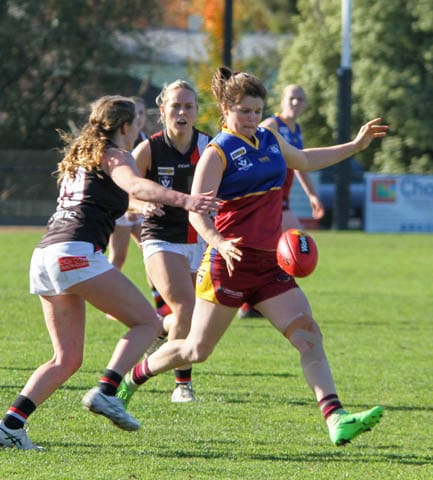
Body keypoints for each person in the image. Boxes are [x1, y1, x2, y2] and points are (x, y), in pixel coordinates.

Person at [117, 67, 388, 446]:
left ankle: (336, 417)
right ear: (226, 109)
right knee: (196, 350)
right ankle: (132, 378)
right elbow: (197, 212)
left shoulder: (270, 139)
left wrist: (355, 145)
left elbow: (305, 159)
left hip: (268, 265)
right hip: (227, 264)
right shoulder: (216, 153)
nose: (251, 118)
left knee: (309, 334)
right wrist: (218, 242)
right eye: (244, 111)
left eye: (257, 111)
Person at [0, 95, 219, 451]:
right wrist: (185, 200)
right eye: (136, 124)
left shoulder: (82, 156)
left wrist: (140, 205)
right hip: (76, 253)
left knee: (66, 359)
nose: (139, 131)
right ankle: (106, 390)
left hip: (45, 256)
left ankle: (10, 426)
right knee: (147, 322)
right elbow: (134, 184)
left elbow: (109, 196)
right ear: (124, 126)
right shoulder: (116, 154)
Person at [117, 80, 213, 404]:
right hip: (160, 239)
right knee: (186, 306)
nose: (182, 112)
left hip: (200, 240)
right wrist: (139, 205)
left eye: (188, 106)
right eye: (175, 106)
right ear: (163, 110)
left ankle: (159, 328)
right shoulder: (149, 149)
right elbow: (122, 192)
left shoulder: (210, 147)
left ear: (197, 111)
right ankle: (182, 385)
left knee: (192, 315)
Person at [238, 84, 324, 319]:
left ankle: (256, 301)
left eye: (300, 99)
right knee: (297, 244)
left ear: (305, 104)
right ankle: (258, 300)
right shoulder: (271, 126)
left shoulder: (296, 130)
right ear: (282, 100)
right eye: (291, 98)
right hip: (268, 198)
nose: (295, 103)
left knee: (288, 246)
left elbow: (300, 163)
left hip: (280, 200)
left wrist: (312, 194)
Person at [107, 97, 147, 274]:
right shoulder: (118, 141)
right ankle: (105, 287)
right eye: (135, 113)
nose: (138, 117)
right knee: (118, 256)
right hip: (122, 205)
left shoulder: (146, 141)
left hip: (142, 206)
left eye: (141, 113)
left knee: (151, 253)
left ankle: (159, 293)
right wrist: (128, 205)